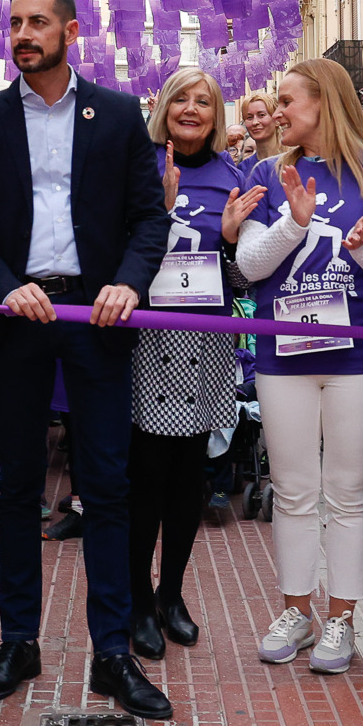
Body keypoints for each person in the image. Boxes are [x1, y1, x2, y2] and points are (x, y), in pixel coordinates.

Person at [0, 0, 173, 720]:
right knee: (15, 485)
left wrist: (131, 284)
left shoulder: (115, 114)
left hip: (98, 313)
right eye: (14, 22)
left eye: (38, 21)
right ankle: (19, 641)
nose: (23, 33)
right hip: (19, 312)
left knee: (107, 484)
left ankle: (112, 652)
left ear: (71, 32)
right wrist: (3, 284)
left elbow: (148, 216)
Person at [236, 59, 363, 675]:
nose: (277, 111)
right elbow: (251, 266)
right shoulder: (266, 171)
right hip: (282, 354)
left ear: (325, 101)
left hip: (357, 354)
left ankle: (341, 618)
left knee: (347, 492)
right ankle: (296, 610)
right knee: (291, 491)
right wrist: (296, 220)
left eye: (287, 101)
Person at [127, 70, 248, 662]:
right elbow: (114, 256)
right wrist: (161, 212)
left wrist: (228, 243)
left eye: (205, 100)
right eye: (182, 97)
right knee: (145, 477)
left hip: (206, 345)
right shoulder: (138, 164)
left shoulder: (235, 176)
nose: (192, 108)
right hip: (147, 343)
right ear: (164, 106)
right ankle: (136, 599)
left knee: (188, 479)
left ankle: (171, 594)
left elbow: (246, 279)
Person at [239, 89, 281, 163]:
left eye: (261, 115)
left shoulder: (295, 160)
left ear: (277, 120)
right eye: (249, 117)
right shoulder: (243, 168)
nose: (255, 122)